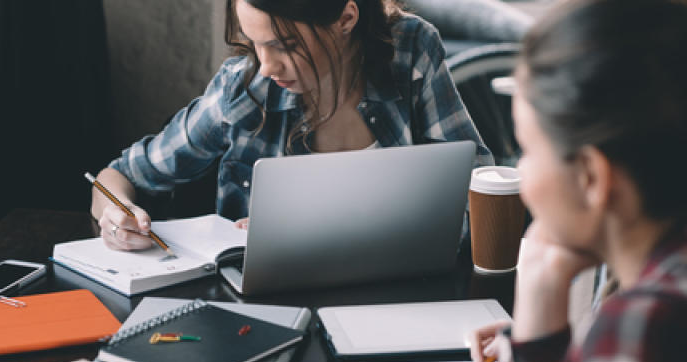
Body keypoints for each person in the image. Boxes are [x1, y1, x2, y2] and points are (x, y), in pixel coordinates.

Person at [469, 0, 687, 362]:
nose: (522, 172)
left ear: (592, 176)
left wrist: (540, 293)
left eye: (526, 147)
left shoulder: (648, 327)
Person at [90, 0, 492, 250]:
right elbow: (117, 176)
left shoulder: (410, 49)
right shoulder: (244, 89)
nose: (266, 66)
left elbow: (479, 186)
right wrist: (115, 213)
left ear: (346, 18)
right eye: (254, 44)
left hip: (406, 297)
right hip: (267, 313)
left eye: (285, 46)